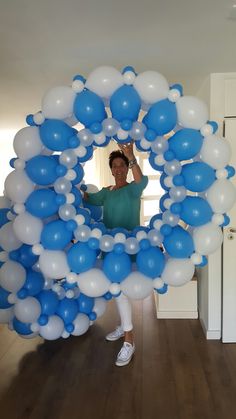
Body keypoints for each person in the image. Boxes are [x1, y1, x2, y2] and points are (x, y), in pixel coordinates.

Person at [84, 141, 148, 366]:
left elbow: (142, 180)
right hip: (109, 247)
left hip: (128, 247)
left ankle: (129, 338)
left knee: (120, 289)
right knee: (118, 290)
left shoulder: (133, 189)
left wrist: (131, 156)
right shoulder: (106, 192)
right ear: (111, 170)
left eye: (122, 165)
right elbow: (88, 200)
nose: (119, 169)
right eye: (115, 166)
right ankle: (124, 327)